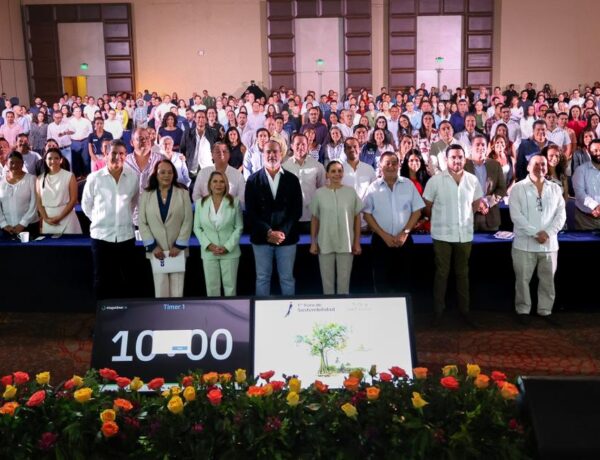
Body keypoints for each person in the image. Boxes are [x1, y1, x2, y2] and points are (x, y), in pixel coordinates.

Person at [423, 144, 483, 328]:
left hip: (464, 234)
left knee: (462, 274)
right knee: (442, 274)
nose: (457, 161)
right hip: (442, 234)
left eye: (460, 157)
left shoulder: (472, 180)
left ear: (464, 159)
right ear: (446, 160)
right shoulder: (435, 180)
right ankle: (438, 312)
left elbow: (476, 203)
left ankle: (464, 312)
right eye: (453, 157)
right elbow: (427, 206)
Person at [509, 154, 566, 326]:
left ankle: (545, 310)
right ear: (528, 167)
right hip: (524, 245)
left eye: (543, 164)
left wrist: (547, 233)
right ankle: (523, 310)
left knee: (548, 280)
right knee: (522, 281)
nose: (540, 167)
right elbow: (516, 216)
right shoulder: (518, 188)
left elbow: (561, 215)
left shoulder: (556, 188)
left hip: (549, 245)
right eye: (536, 164)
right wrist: (536, 234)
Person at [82, 140, 139, 300]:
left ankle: (125, 315)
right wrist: (100, 219)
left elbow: (134, 202)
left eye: (121, 153)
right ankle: (103, 316)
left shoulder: (132, 177)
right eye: (113, 153)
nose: (117, 157)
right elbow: (86, 205)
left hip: (125, 236)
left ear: (125, 156)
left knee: (126, 278)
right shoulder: (94, 178)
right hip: (101, 236)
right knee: (101, 278)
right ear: (106, 154)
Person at [245, 140, 303, 296]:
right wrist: (268, 232)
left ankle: (290, 318)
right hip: (261, 239)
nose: (271, 155)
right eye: (268, 152)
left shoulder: (292, 179)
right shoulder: (252, 180)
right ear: (263, 155)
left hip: (287, 239)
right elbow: (251, 212)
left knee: (287, 279)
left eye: (274, 151)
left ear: (281, 154)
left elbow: (296, 210)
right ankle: (263, 317)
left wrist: (281, 232)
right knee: (262, 278)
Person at [363, 152, 425, 294]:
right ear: (380, 165)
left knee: (404, 283)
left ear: (399, 165)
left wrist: (405, 233)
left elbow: (417, 212)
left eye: (394, 163)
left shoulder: (408, 184)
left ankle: (404, 315)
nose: (391, 166)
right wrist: (384, 235)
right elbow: (367, 214)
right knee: (381, 283)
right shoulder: (373, 187)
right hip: (380, 241)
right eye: (387, 163)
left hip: (404, 241)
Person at [139, 159, 193, 298]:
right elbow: (142, 222)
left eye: (170, 172)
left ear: (174, 175)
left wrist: (179, 245)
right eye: (162, 172)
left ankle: (176, 318)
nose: (166, 175)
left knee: (177, 289)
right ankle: (163, 318)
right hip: (157, 250)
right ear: (155, 174)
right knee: (160, 288)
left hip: (177, 251)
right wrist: (152, 246)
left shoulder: (183, 193)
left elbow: (187, 221)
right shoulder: (146, 194)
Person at [309, 160, 362, 294]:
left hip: (346, 243)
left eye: (339, 171)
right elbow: (315, 219)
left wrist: (356, 242)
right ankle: (329, 313)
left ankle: (343, 313)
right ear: (327, 174)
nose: (337, 174)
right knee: (327, 285)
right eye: (333, 171)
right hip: (325, 243)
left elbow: (357, 218)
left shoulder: (351, 193)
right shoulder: (319, 193)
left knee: (344, 285)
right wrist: (313, 242)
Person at [194, 171, 243, 296]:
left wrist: (227, 247)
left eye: (222, 181)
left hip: (230, 252)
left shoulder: (235, 202)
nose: (218, 184)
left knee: (230, 290)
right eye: (215, 181)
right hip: (209, 253)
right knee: (212, 290)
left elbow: (239, 227)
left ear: (226, 184)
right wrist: (208, 245)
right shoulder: (200, 203)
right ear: (210, 184)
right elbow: (197, 228)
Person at [283, 133, 326, 232]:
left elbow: (322, 191)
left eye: (303, 144)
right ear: (292, 146)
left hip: (311, 217)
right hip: (290, 217)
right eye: (297, 144)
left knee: (312, 246)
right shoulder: (284, 167)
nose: (300, 147)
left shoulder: (317, 166)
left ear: (308, 146)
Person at [464, 135, 507, 232]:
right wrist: (476, 203)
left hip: (490, 216)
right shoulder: (463, 165)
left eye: (483, 144)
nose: (480, 147)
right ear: (471, 147)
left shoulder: (495, 165)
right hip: (468, 217)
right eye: (477, 144)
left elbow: (502, 188)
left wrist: (488, 202)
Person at [36, 148, 81, 235]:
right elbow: (38, 201)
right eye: (49, 158)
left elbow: (73, 200)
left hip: (67, 219)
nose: (53, 161)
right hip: (48, 220)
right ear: (45, 160)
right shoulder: (39, 178)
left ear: (61, 160)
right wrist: (45, 219)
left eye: (56, 158)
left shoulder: (69, 176)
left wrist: (60, 217)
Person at [0, 152, 38, 238]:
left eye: (18, 162)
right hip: (7, 229)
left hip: (29, 226)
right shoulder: (1, 181)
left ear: (22, 163)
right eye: (11, 162)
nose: (15, 165)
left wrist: (23, 223)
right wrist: (3, 224)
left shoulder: (31, 179)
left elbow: (34, 204)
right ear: (6, 163)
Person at [572, 138, 600, 230]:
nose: (598, 153)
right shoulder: (580, 170)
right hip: (586, 221)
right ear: (589, 151)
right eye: (595, 150)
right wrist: (596, 206)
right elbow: (580, 194)